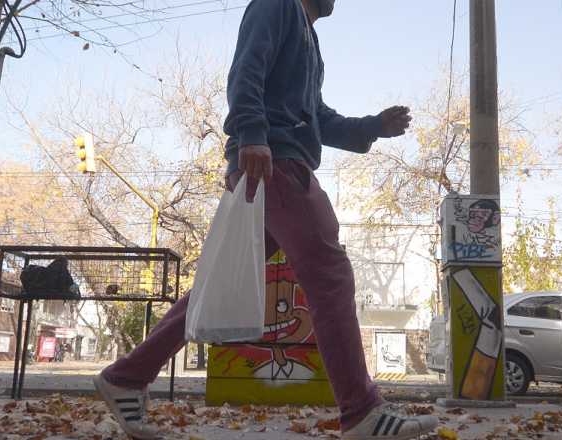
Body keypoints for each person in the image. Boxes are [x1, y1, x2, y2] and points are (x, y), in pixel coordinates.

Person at [92, 1, 437, 439]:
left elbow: (317, 118)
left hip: (275, 161)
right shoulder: (278, 5)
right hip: (275, 164)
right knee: (332, 276)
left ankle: (126, 377)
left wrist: (372, 126)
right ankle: (362, 412)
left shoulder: (308, 37)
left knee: (216, 286)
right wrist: (252, 135)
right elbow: (245, 73)